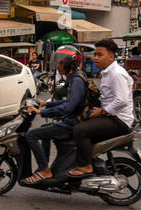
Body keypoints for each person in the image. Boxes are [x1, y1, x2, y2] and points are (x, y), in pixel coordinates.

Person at [68, 39, 134, 178]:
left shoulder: (116, 74)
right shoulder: (107, 72)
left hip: (119, 120)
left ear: (111, 56)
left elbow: (121, 100)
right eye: (95, 54)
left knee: (80, 130)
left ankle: (85, 165)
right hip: (111, 116)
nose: (95, 58)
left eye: (100, 55)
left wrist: (102, 111)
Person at [24, 55, 87, 184]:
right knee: (43, 129)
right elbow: (67, 102)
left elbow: (67, 107)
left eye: (60, 68)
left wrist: (41, 112)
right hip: (72, 120)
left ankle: (45, 170)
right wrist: (46, 104)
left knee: (31, 135)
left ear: (68, 68)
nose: (58, 70)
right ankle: (45, 165)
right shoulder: (73, 79)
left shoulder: (76, 82)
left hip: (71, 124)